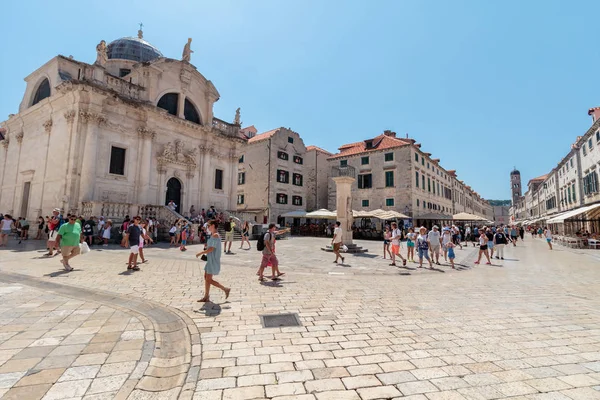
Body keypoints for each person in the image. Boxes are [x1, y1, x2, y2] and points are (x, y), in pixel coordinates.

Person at [195, 220, 231, 302]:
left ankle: (225, 289)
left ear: (213, 225)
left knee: (208, 279)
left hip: (213, 260)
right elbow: (210, 246)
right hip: (210, 259)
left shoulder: (215, 235)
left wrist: (201, 252)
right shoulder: (213, 235)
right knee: (206, 278)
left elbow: (212, 249)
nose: (208, 227)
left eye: (209, 225)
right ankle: (206, 296)